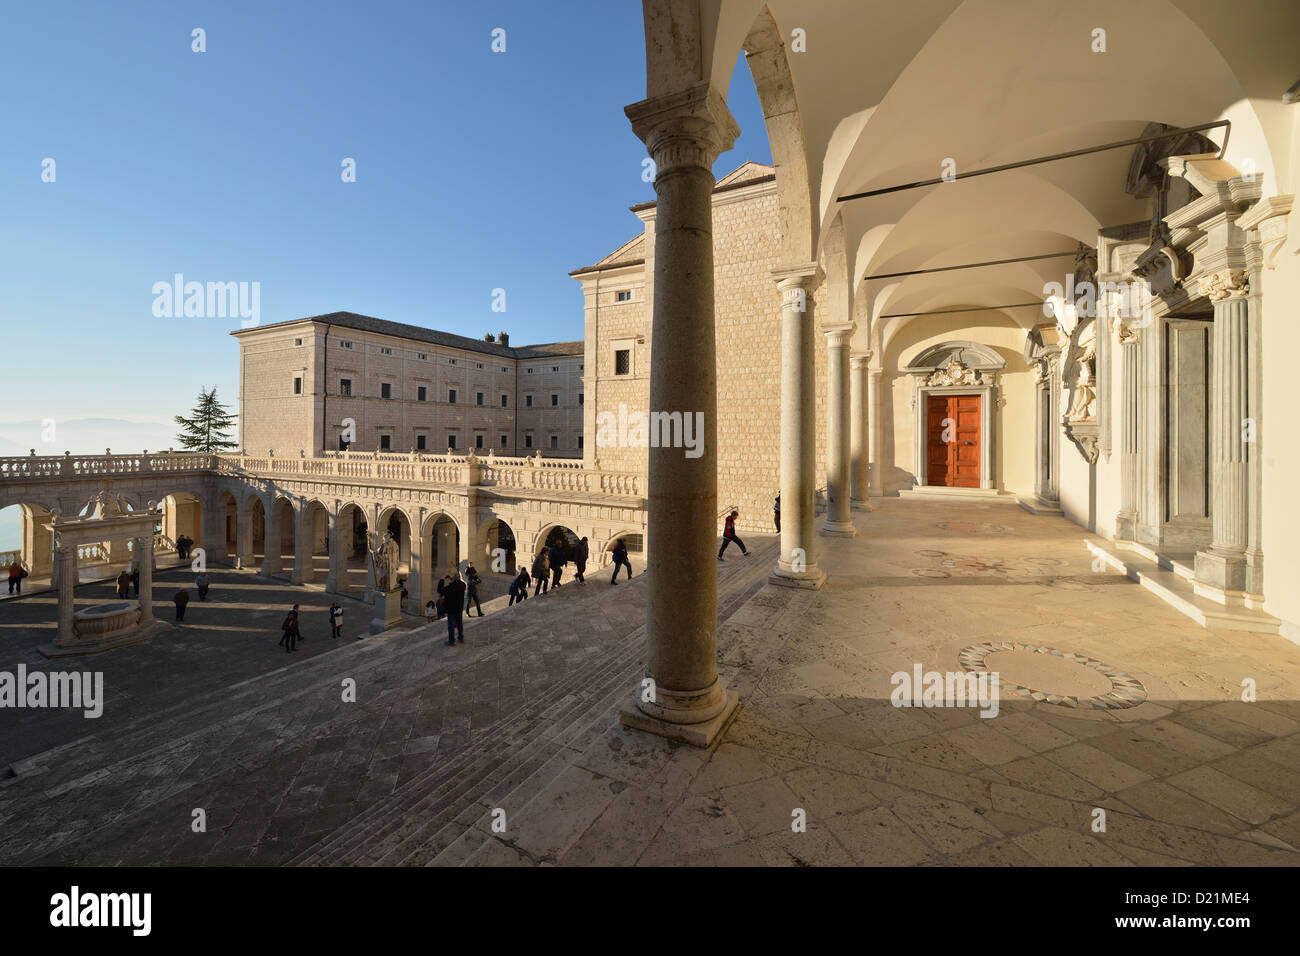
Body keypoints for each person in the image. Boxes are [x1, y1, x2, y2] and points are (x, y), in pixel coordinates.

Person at [443, 572, 466, 646]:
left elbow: (439, 590)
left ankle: (451, 641)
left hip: (451, 609)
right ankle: (460, 638)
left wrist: (442, 579)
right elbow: (458, 584)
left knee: (451, 626)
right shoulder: (463, 585)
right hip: (459, 608)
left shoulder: (449, 587)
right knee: (459, 624)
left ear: (453, 579)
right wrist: (453, 580)